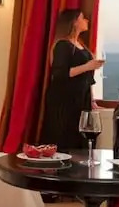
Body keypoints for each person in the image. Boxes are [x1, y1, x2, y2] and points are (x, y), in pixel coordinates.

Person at [41, 9, 104, 152]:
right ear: (74, 22)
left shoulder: (81, 45)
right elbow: (60, 73)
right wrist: (87, 66)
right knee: (65, 137)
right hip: (65, 100)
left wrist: (92, 100)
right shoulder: (63, 45)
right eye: (83, 18)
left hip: (81, 99)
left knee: (81, 137)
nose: (86, 20)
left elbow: (87, 78)